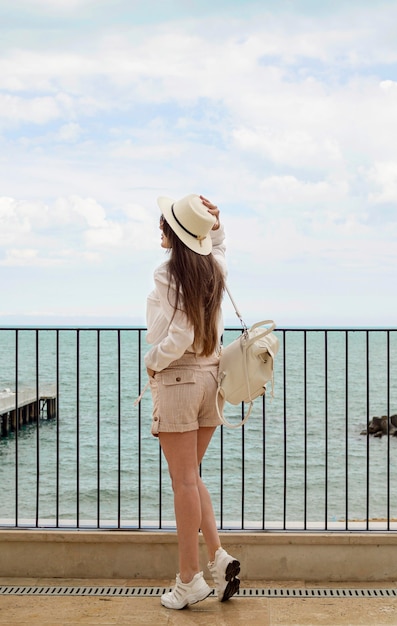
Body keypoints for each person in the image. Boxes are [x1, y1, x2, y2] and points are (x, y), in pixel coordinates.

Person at [144, 193, 240, 610]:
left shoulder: (168, 273)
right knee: (191, 475)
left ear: (173, 232)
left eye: (163, 223)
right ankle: (217, 558)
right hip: (210, 377)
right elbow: (218, 245)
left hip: (180, 378)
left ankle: (189, 581)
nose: (159, 228)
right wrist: (214, 220)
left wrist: (152, 361)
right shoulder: (213, 267)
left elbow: (180, 333)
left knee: (183, 481)